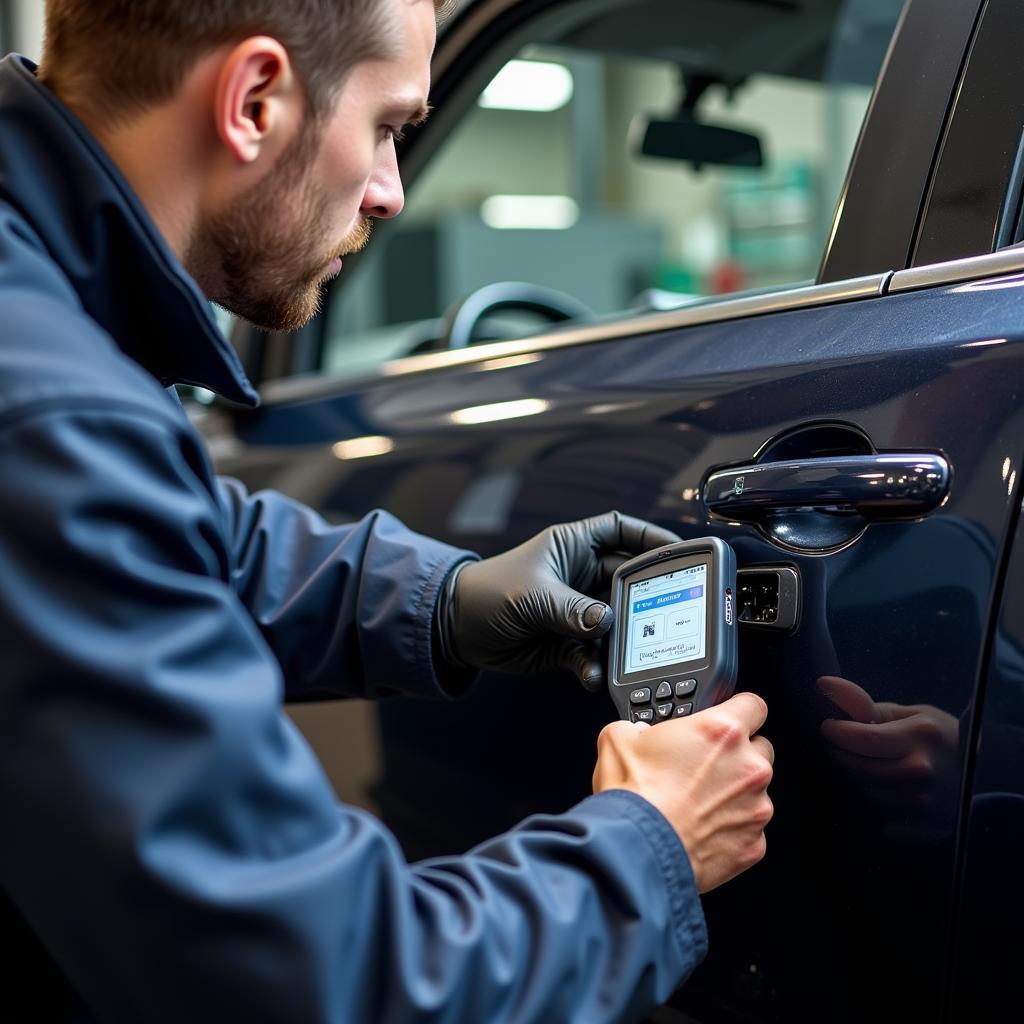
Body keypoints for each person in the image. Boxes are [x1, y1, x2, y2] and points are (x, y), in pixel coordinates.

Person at [0, 1, 775, 1021]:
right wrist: (649, 844)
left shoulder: (42, 316)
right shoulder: (52, 416)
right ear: (255, 100)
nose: (390, 194)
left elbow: (178, 536)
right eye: (385, 129)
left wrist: (445, 599)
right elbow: (324, 982)